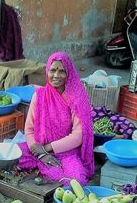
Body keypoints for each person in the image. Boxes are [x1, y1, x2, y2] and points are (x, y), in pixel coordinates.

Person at [18, 52, 94, 185]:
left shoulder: (77, 98)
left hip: (66, 152)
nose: (56, 75)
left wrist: (46, 148)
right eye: (52, 70)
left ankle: (43, 170)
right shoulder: (40, 95)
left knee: (76, 181)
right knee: (10, 155)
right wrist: (40, 153)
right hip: (39, 147)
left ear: (68, 73)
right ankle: (40, 165)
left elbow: (78, 136)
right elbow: (29, 129)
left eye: (62, 71)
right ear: (47, 71)